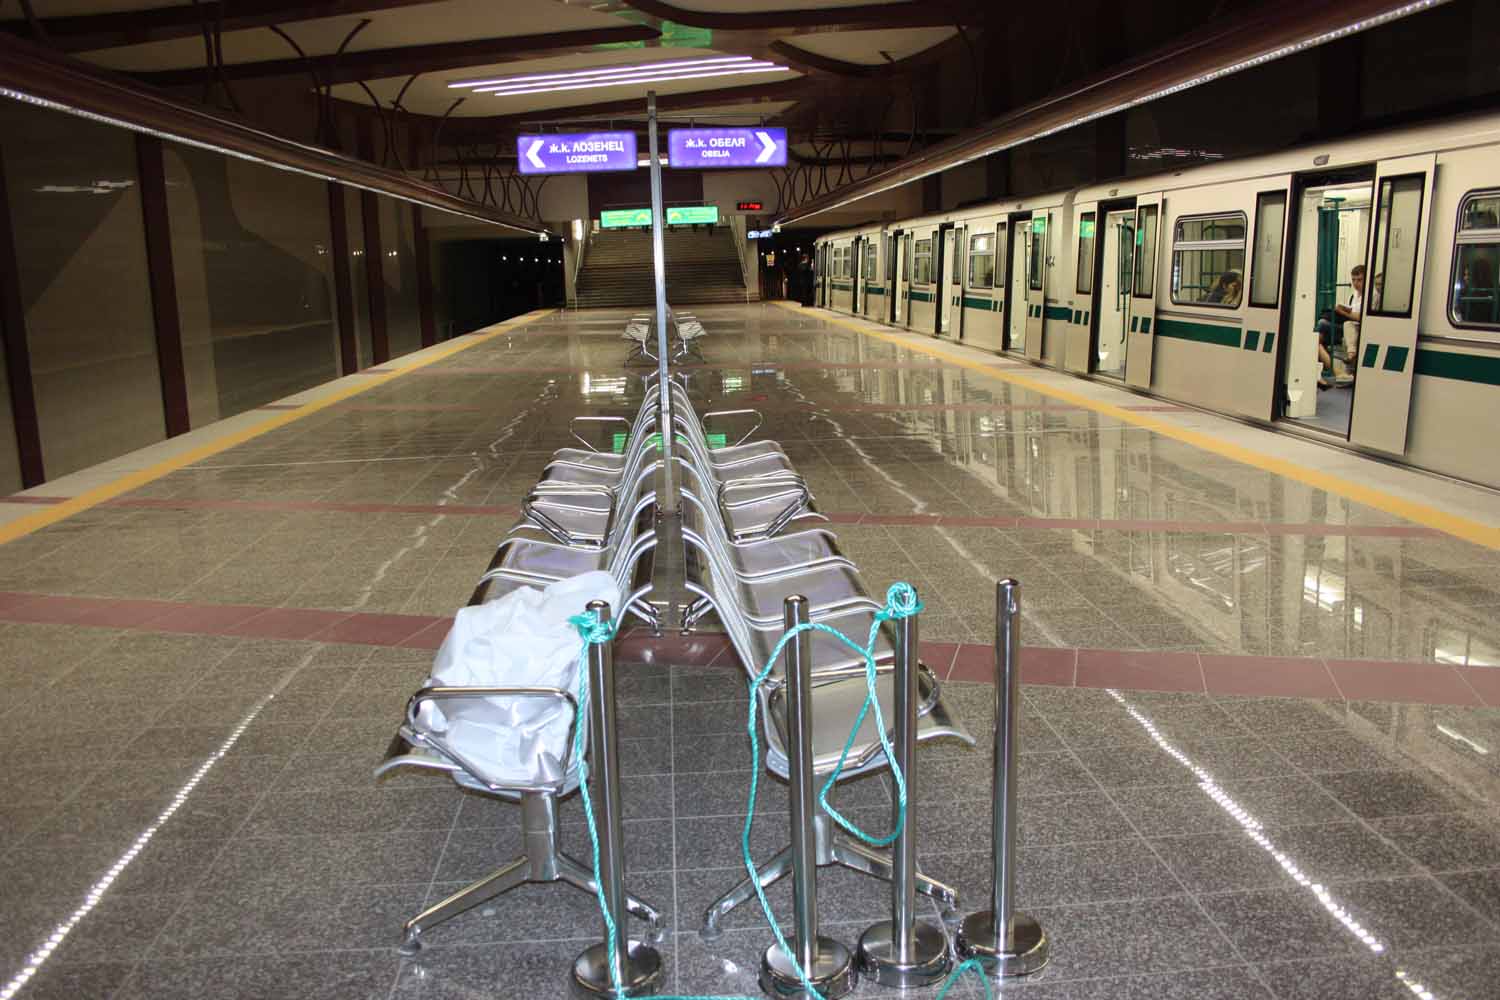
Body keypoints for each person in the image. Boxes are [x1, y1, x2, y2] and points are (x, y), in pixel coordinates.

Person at [1335, 264, 1365, 366]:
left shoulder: (1371, 295)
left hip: (1359, 326)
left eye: (1359, 280)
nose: (1355, 283)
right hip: (1349, 323)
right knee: (1322, 324)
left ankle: (1351, 354)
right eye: (1353, 280)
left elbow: (1361, 317)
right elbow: (1350, 310)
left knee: (1347, 325)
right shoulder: (1353, 294)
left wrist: (1343, 312)